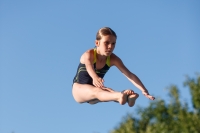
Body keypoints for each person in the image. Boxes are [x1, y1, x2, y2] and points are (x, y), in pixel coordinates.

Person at [72, 27, 155, 107]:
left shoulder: (113, 59)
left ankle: (129, 98)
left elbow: (129, 75)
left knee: (109, 92)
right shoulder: (88, 54)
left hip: (96, 92)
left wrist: (144, 90)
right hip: (79, 90)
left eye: (113, 43)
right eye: (106, 43)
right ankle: (120, 96)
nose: (110, 47)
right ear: (97, 43)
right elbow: (89, 67)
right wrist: (95, 77)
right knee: (99, 92)